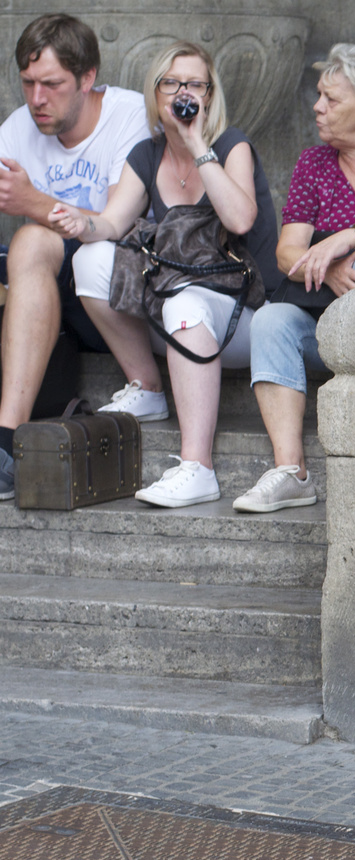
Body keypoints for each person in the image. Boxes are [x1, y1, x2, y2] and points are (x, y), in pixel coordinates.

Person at [49, 41, 282, 508]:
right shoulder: (147, 154)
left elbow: (239, 219)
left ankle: (198, 468)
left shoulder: (231, 144)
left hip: (241, 321)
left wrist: (198, 144)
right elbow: (112, 223)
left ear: (209, 95)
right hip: (177, 318)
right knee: (88, 260)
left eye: (194, 84)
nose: (182, 93)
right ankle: (148, 387)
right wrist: (82, 223)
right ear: (155, 93)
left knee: (185, 302)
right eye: (171, 83)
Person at [232, 44, 355, 514]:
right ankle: (291, 472)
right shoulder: (314, 164)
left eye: (331, 99)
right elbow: (286, 252)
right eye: (319, 96)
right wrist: (333, 266)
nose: (318, 108)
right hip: (321, 323)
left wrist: (352, 237)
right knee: (269, 322)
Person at [0, 14, 148, 500]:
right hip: (45, 296)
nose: (36, 99)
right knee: (27, 244)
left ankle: (6, 439)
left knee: (31, 238)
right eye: (27, 83)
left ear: (87, 78)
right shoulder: (18, 129)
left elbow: (111, 222)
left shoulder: (128, 116)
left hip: (119, 293)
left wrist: (35, 204)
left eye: (51, 84)